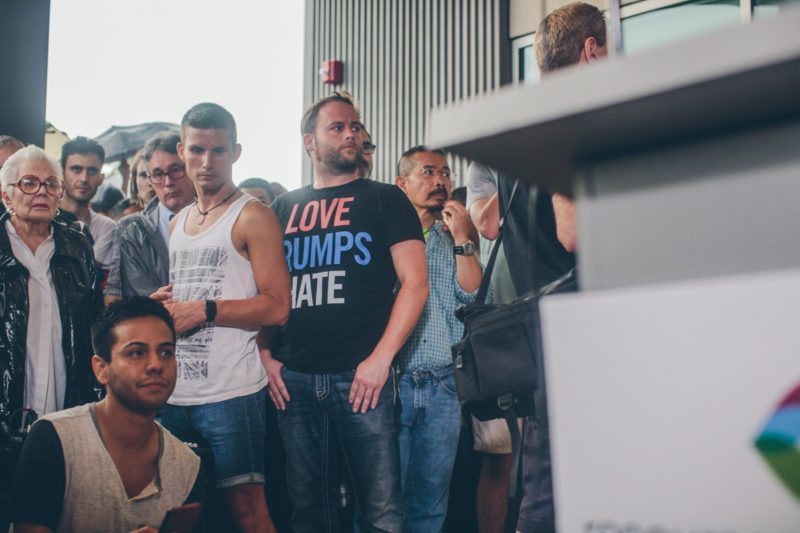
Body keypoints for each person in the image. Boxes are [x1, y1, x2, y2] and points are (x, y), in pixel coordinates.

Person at [265, 93, 428, 532]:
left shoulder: (385, 199)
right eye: (337, 127)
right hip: (294, 379)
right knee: (308, 510)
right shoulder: (282, 208)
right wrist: (266, 357)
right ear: (309, 142)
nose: (351, 133)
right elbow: (265, 291)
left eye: (355, 126)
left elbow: (416, 284)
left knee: (380, 512)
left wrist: (380, 361)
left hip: (361, 378)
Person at [152, 102, 290, 533]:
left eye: (218, 151)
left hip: (232, 392)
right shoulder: (178, 222)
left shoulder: (253, 215)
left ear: (236, 152)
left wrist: (206, 309)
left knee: (246, 511)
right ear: (182, 151)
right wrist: (164, 303)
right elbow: (196, 289)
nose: (206, 162)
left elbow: (278, 306)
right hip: (176, 391)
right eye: (196, 150)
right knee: (175, 511)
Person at [515, 4, 607, 533]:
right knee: (550, 486)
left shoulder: (520, 127)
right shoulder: (570, 122)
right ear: (591, 50)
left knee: (548, 475)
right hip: (575, 328)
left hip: (540, 325)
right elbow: (573, 231)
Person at [10, 297, 203, 532]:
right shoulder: (56, 438)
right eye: (136, 353)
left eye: (165, 352)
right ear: (101, 368)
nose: (156, 364)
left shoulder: (187, 466)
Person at [0, 146, 101, 525]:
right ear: (5, 193)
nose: (41, 192)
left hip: (64, 412)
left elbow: (93, 320)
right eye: (29, 183)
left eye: (50, 184)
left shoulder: (77, 246)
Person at [394, 146, 482, 532]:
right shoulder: (387, 235)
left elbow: (474, 296)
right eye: (428, 173)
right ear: (403, 183)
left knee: (431, 501)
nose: (439, 182)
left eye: (445, 174)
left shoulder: (452, 237)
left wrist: (464, 237)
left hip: (444, 382)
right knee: (383, 498)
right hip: (391, 382)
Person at [106, 132, 195, 300]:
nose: (168, 182)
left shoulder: (218, 218)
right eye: (158, 174)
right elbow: (120, 291)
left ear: (191, 169)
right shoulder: (131, 229)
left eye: (176, 170)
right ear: (150, 179)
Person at [58, 137, 118, 286]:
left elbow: (84, 273)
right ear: (61, 173)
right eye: (76, 169)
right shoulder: (43, 218)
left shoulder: (107, 227)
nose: (84, 178)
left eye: (92, 171)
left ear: (101, 178)